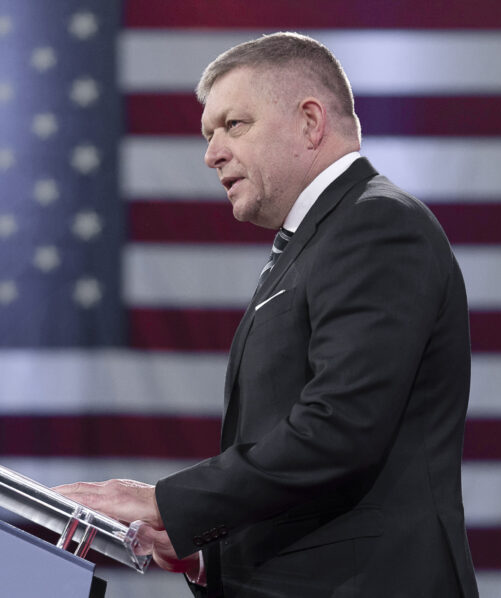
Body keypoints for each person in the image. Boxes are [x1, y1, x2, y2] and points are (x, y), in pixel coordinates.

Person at [57, 32, 479, 597]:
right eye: (209, 135)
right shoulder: (315, 242)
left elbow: (341, 428)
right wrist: (208, 556)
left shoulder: (376, 226)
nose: (212, 153)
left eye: (234, 125)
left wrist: (164, 502)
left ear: (310, 121)